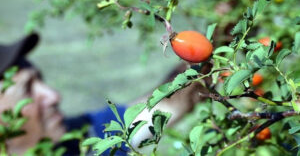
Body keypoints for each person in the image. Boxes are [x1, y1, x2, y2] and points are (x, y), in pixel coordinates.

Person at [0, 33, 207, 155]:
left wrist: (211, 48)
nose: (54, 96)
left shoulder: (81, 136)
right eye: (27, 90)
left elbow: (165, 106)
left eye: (40, 80)